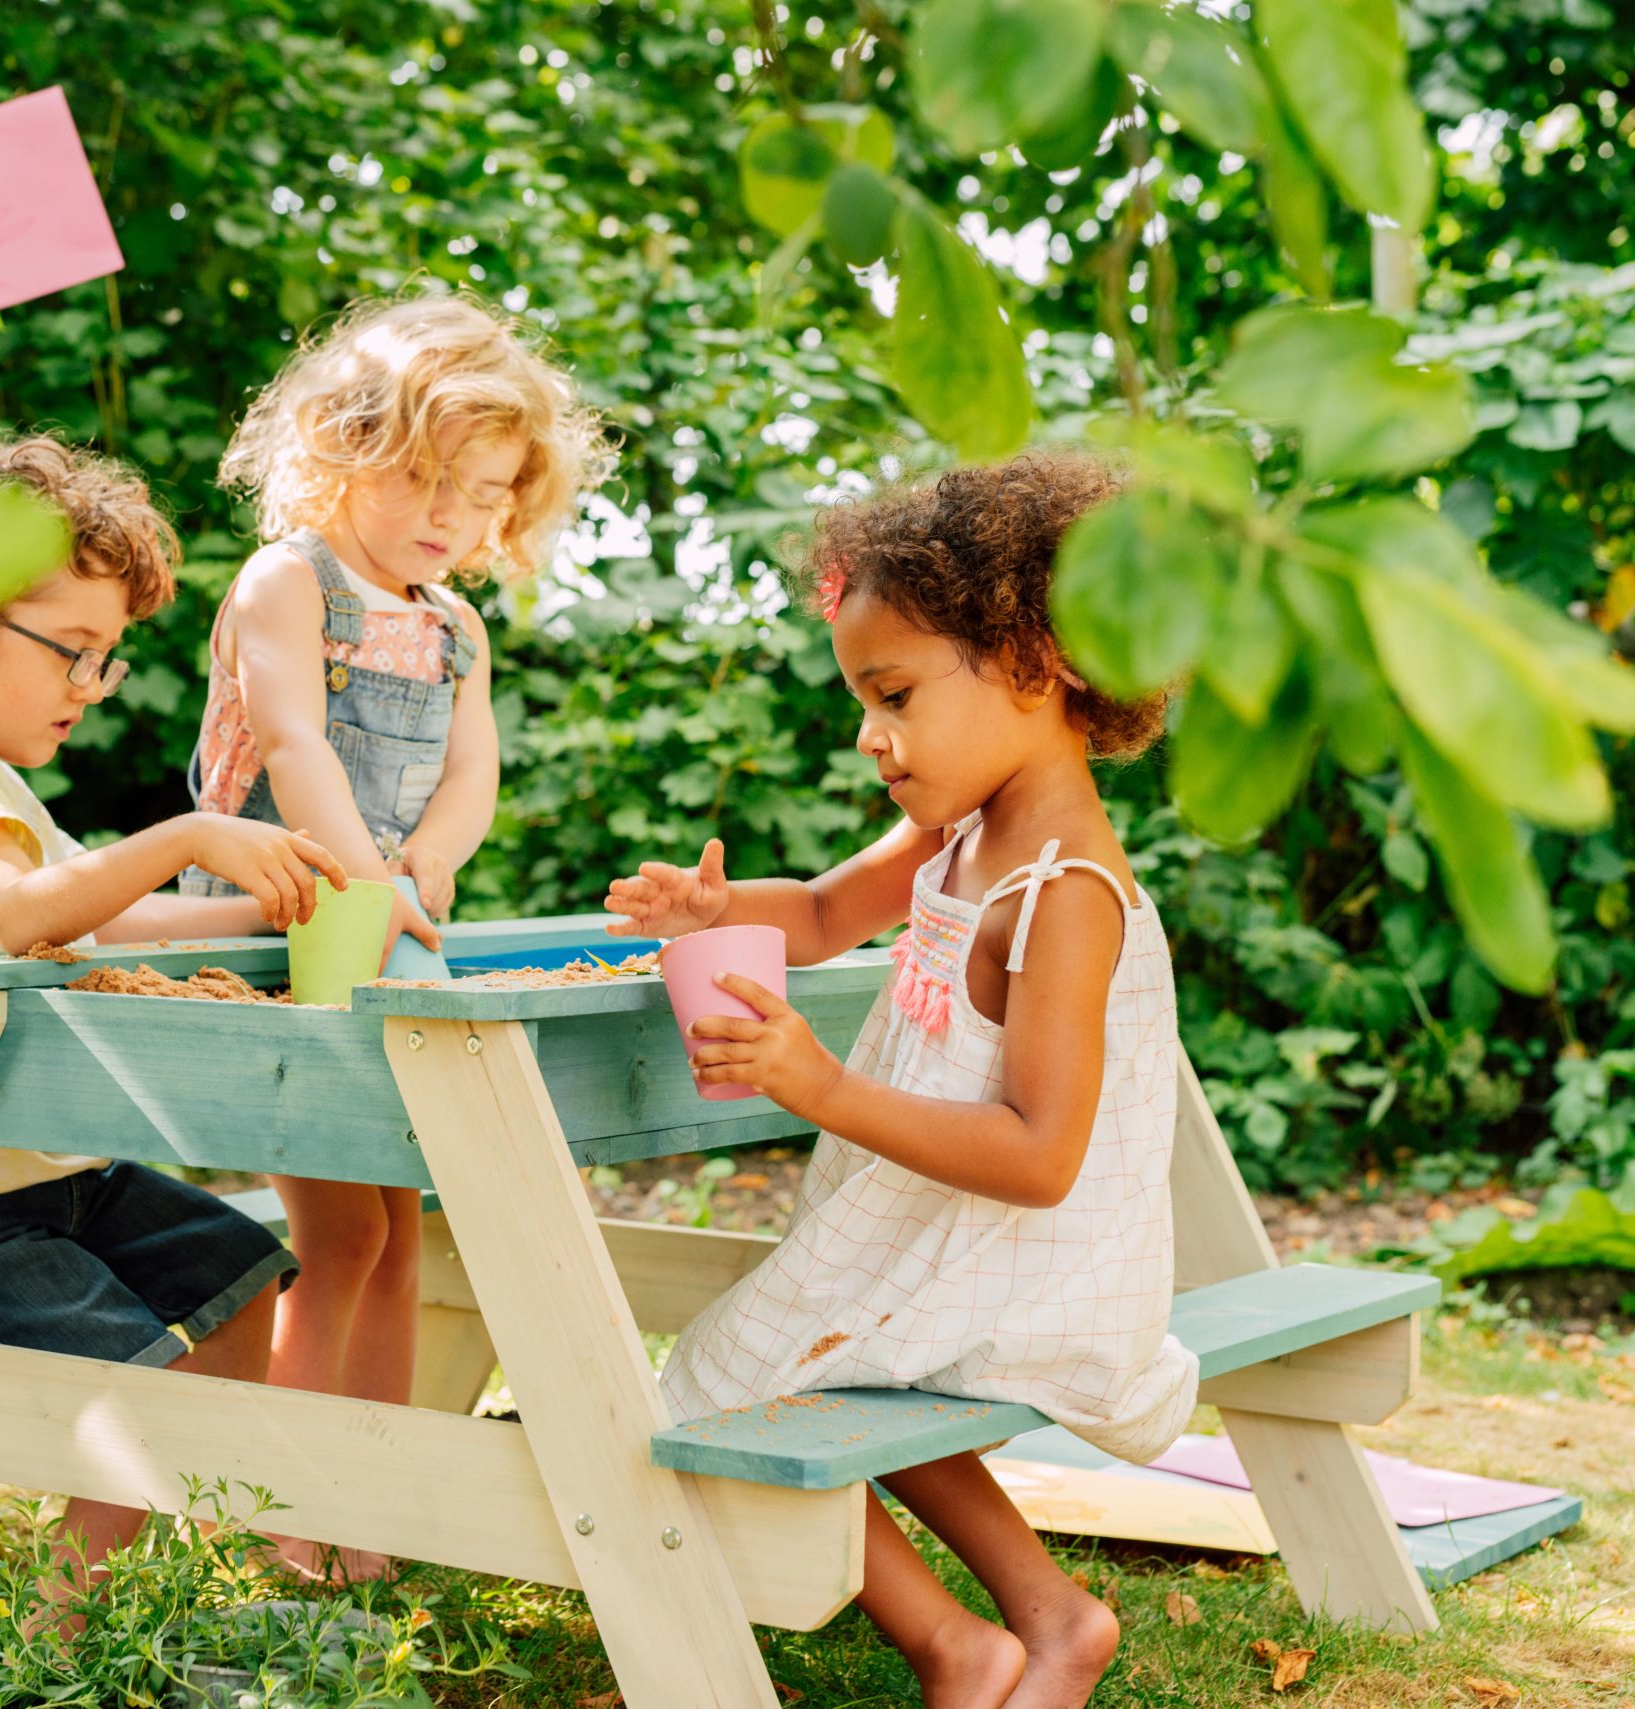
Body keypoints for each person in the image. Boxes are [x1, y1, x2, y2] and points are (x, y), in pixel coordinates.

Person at [605, 452, 1197, 1708]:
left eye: (894, 694)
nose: (873, 738)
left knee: (723, 1378)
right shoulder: (961, 827)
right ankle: (1046, 1621)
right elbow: (820, 913)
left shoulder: (1065, 893)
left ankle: (954, 1644)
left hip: (1026, 1260)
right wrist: (711, 907)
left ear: (1042, 663)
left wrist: (815, 1084)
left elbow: (1042, 1157)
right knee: (819, 1353)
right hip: (939, 1230)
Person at [0, 433, 347, 1586]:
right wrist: (194, 835)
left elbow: (93, 922)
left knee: (241, 1272)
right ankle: (59, 1621)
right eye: (72, 652)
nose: (91, 688)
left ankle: (186, 1538)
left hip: (47, 1176)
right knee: (136, 1376)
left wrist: (267, 916)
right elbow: (18, 911)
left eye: (106, 658)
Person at [182, 295, 608, 1563]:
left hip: (389, 911)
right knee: (341, 1229)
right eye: (423, 479)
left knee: (404, 1218)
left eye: (481, 496)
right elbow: (298, 744)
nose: (449, 516)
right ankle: (284, 1521)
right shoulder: (288, 581)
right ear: (341, 445)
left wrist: (428, 858)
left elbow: (470, 774)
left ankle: (366, 1504)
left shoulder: (458, 628)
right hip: (278, 924)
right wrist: (368, 883)